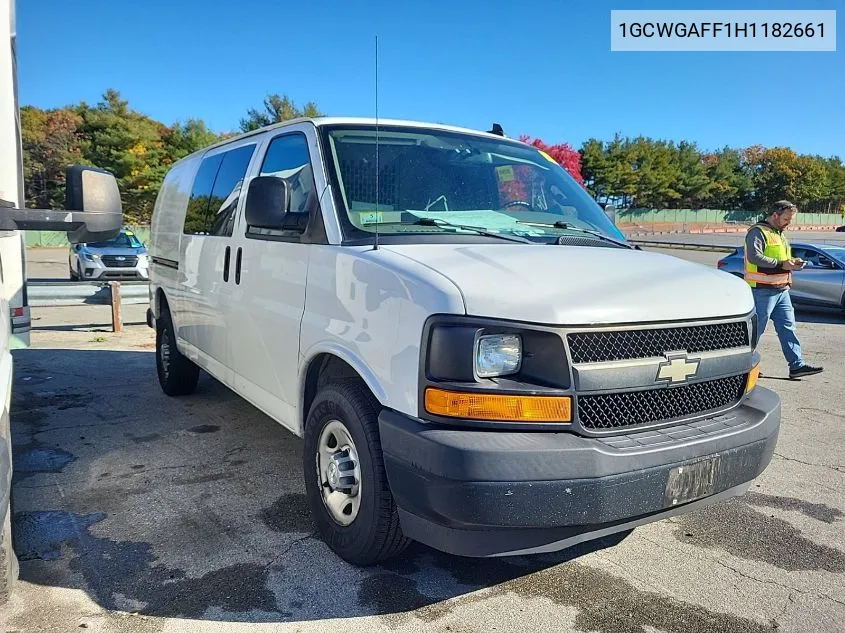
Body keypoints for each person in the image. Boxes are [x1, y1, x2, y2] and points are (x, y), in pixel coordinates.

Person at [744, 200, 823, 379]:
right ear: (775, 215)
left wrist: (793, 262)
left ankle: (797, 366)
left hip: (781, 290)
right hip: (762, 291)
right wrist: (782, 264)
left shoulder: (779, 234)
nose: (789, 223)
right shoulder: (758, 232)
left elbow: (781, 258)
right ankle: (744, 367)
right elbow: (755, 258)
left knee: (788, 328)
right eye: (786, 219)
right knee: (755, 331)